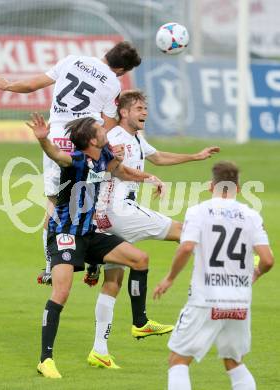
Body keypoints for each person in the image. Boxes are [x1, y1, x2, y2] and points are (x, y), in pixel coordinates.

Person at [86, 90, 220, 368]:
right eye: (138, 108)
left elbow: (159, 157)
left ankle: (99, 349)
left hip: (107, 216)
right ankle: (217, 285)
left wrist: (196, 156)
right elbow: (111, 169)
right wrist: (147, 178)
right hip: (118, 210)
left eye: (145, 108)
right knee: (185, 231)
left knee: (114, 281)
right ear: (124, 112)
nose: (144, 112)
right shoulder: (115, 138)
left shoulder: (136, 138)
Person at [0, 41, 141, 285]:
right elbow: (109, 122)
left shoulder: (71, 60)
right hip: (87, 140)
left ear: (106, 55)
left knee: (53, 201)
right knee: (92, 197)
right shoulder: (113, 83)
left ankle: (50, 265)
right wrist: (103, 144)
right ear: (122, 70)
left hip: (57, 137)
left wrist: (8, 85)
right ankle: (94, 259)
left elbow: (31, 85)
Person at [27, 113, 163, 378]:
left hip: (90, 233)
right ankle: (46, 359)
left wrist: (150, 178)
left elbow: (122, 171)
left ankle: (140, 323)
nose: (104, 129)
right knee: (61, 292)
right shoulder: (76, 159)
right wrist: (43, 140)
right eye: (100, 128)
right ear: (91, 138)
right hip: (66, 233)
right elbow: (57, 155)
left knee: (139, 259)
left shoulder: (104, 156)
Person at [153, 161, 274, 390]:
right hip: (239, 301)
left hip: (205, 299)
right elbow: (267, 260)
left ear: (211, 186)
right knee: (234, 362)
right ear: (238, 188)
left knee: (178, 360)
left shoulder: (198, 212)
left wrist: (169, 278)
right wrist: (255, 274)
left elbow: (186, 247)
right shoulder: (251, 216)